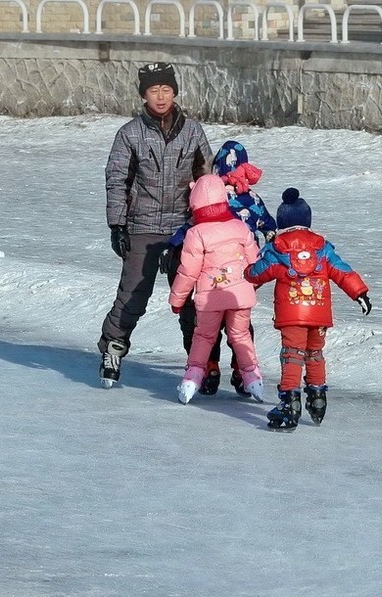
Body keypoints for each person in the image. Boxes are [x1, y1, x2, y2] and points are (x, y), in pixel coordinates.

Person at [97, 62, 212, 388]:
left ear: (174, 92)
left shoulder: (192, 131)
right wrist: (118, 224)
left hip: (184, 230)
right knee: (133, 294)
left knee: (191, 299)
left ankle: (200, 361)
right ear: (143, 95)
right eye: (153, 90)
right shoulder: (130, 134)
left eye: (165, 89)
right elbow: (116, 180)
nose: (160, 97)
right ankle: (113, 348)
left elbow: (207, 180)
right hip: (142, 227)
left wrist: (208, 223)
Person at [244, 188, 372, 432]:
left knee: (292, 354)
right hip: (319, 311)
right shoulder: (322, 247)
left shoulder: (277, 247)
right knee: (315, 353)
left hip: (292, 314)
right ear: (307, 221)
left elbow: (256, 273)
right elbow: (341, 270)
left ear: (282, 222)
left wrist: (246, 273)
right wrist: (360, 293)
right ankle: (317, 396)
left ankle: (290, 403)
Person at [161, 139, 278, 397]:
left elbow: (189, 246)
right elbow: (269, 229)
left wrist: (171, 247)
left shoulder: (209, 194)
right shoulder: (252, 198)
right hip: (242, 280)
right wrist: (261, 269)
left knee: (203, 332)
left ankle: (207, 369)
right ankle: (244, 371)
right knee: (241, 331)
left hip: (210, 286)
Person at [168, 174, 263, 405]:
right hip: (239, 296)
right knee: (241, 336)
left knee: (203, 337)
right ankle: (254, 381)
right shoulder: (239, 227)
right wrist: (251, 285)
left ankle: (192, 381)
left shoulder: (196, 233)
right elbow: (255, 264)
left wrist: (177, 299)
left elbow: (188, 271)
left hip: (210, 298)